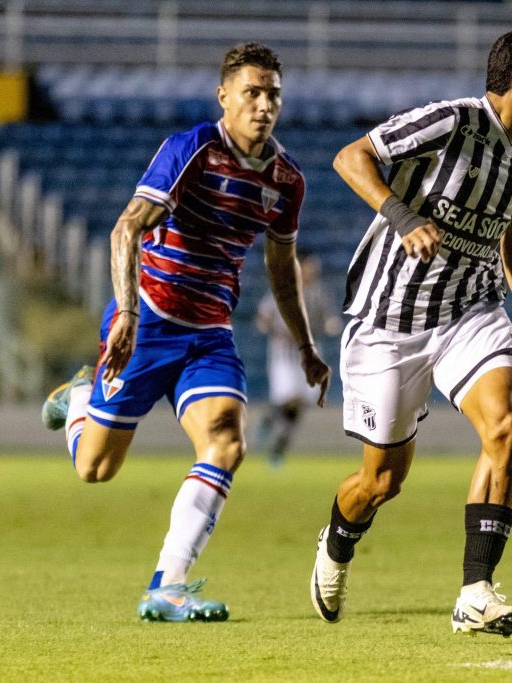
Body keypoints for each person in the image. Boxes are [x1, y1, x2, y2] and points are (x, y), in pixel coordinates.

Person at [40, 42, 330, 622]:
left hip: (209, 333)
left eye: (272, 93)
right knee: (95, 469)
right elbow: (126, 230)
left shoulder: (286, 181)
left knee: (227, 440)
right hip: (148, 320)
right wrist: (125, 313)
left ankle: (166, 585)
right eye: (251, 92)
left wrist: (305, 345)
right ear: (224, 96)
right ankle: (77, 401)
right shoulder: (192, 149)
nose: (263, 104)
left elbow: (281, 268)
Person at [309, 28, 512, 637]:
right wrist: (403, 218)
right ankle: (338, 541)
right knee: (381, 482)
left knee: (505, 426)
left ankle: (476, 592)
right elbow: (351, 157)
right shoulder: (450, 122)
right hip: (388, 322)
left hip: (471, 314)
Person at [254, 251, 342, 466]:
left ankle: (273, 430)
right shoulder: (282, 290)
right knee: (290, 398)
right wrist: (274, 329)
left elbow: (330, 319)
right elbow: (262, 318)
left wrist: (331, 325)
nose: (312, 272)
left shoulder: (320, 292)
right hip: (284, 355)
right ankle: (277, 445)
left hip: (311, 354)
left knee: (300, 403)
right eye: (308, 267)